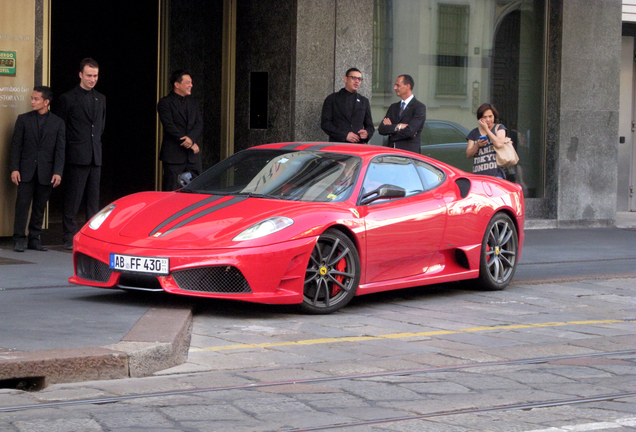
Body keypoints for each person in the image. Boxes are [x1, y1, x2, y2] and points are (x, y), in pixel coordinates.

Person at [57, 58, 106, 250]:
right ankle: (68, 236)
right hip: (76, 155)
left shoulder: (101, 98)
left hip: (95, 155)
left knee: (94, 201)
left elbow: (100, 126)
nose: (92, 79)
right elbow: (62, 129)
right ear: (80, 75)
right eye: (89, 75)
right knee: (73, 198)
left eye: (95, 76)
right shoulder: (67, 98)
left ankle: (91, 237)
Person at [9, 86, 65, 252]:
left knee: (40, 207)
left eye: (36, 99)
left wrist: (58, 171)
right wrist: (14, 168)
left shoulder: (58, 123)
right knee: (22, 206)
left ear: (46, 102)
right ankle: (19, 239)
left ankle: (34, 238)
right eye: (32, 98)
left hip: (46, 172)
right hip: (25, 171)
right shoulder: (23, 119)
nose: (32, 101)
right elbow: (15, 146)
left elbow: (60, 150)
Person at [157, 70, 203, 191]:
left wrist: (191, 140)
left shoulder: (193, 102)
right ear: (177, 85)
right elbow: (169, 126)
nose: (191, 85)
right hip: (173, 156)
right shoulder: (165, 102)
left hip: (192, 158)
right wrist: (188, 142)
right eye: (188, 82)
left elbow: (199, 123)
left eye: (191, 83)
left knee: (195, 193)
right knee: (171, 192)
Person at [321, 68, 374, 143]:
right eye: (353, 78)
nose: (357, 81)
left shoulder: (364, 101)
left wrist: (367, 133)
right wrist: (345, 135)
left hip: (358, 146)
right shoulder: (332, 99)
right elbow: (325, 124)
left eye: (359, 79)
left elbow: (370, 126)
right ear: (345, 79)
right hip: (338, 145)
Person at [377, 74, 426, 153]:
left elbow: (410, 132)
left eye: (398, 85)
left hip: (408, 155)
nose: (395, 88)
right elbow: (382, 129)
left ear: (407, 86)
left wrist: (391, 133)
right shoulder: (393, 107)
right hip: (391, 154)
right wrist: (398, 126)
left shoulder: (419, 107)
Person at [466, 103, 507, 179]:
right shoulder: (474, 132)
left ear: (494, 116)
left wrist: (487, 129)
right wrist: (477, 145)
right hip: (479, 175)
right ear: (480, 119)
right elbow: (468, 154)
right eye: (485, 117)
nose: (488, 120)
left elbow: (499, 144)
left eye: (490, 116)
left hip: (496, 174)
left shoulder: (499, 128)